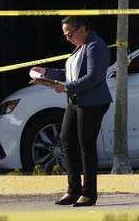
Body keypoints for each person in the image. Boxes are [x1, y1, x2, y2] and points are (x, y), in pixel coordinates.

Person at [31, 16, 112, 207]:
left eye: (70, 34)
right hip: (76, 101)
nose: (67, 38)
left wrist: (66, 87)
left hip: (92, 103)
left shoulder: (95, 45)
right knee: (66, 141)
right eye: (65, 35)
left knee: (86, 146)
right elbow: (69, 72)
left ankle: (89, 193)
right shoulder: (81, 46)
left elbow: (93, 77)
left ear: (82, 29)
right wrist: (46, 73)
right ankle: (73, 190)